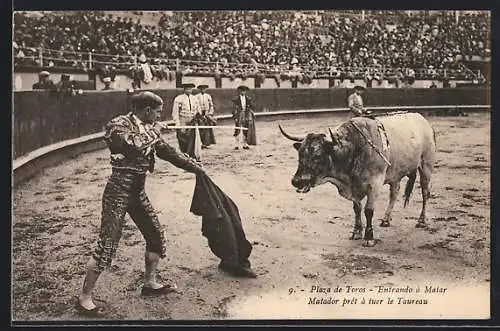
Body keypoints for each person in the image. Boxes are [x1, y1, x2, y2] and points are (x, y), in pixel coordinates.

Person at [77, 91, 204, 317]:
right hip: (117, 192)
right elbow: (133, 144)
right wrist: (154, 132)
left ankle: (150, 283)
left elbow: (169, 153)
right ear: (146, 110)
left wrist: (195, 167)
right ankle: (85, 297)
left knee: (155, 235)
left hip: (137, 192)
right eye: (156, 111)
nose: (158, 115)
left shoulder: (148, 129)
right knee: (107, 243)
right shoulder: (118, 125)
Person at [172, 83, 200, 154]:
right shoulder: (179, 98)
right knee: (182, 135)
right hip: (182, 119)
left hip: (192, 119)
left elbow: (197, 109)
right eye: (187, 89)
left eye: (190, 89)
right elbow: (175, 111)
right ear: (184, 90)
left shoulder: (194, 98)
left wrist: (197, 116)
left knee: (192, 136)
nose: (189, 91)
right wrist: (177, 122)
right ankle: (184, 152)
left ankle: (190, 153)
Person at [232, 85, 255, 150]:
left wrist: (249, 108)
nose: (243, 92)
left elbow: (252, 106)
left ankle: (245, 144)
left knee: (245, 129)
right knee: (237, 129)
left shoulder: (248, 98)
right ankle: (236, 145)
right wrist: (235, 117)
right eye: (242, 90)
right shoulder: (236, 99)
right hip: (239, 114)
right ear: (239, 91)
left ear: (245, 91)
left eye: (244, 90)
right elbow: (234, 109)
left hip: (246, 114)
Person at [196, 84, 216, 149]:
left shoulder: (208, 96)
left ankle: (206, 143)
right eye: (201, 89)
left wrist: (210, 113)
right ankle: (201, 143)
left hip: (207, 113)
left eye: (204, 89)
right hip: (199, 114)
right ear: (199, 89)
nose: (203, 90)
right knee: (200, 129)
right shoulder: (196, 96)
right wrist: (199, 114)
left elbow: (211, 105)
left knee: (207, 129)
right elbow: (196, 106)